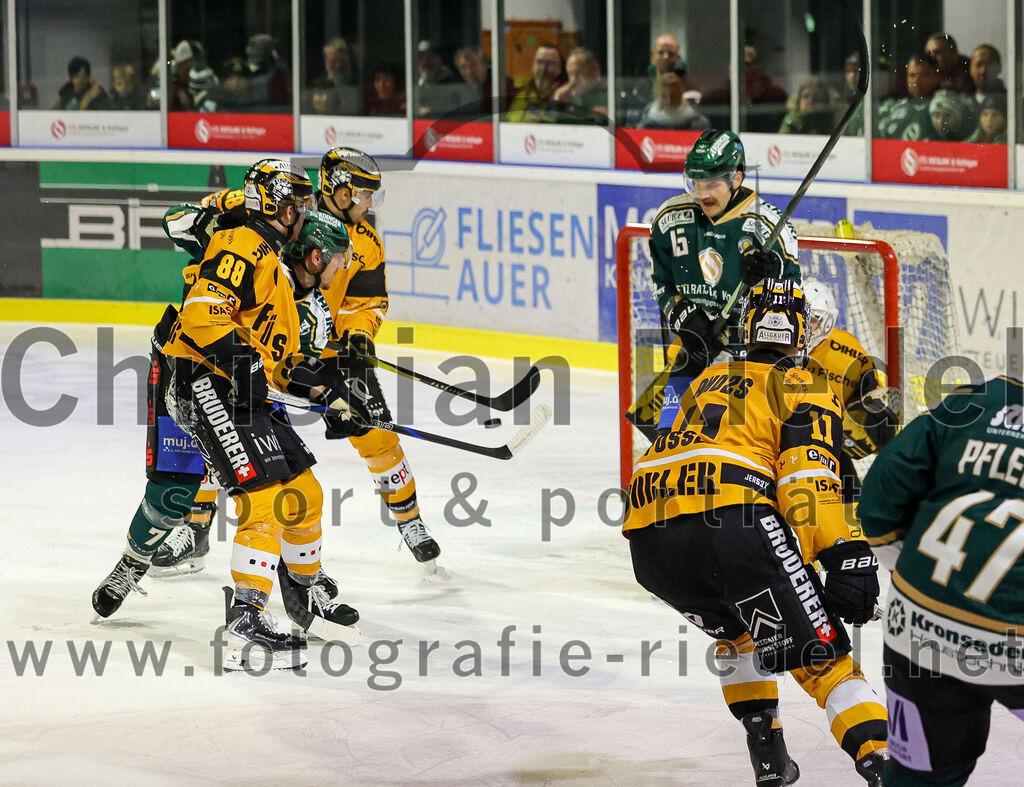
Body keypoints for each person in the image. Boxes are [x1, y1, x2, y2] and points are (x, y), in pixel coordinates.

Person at [626, 279, 889, 787]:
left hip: (649, 539)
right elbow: (805, 482)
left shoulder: (706, 377)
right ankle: (885, 769)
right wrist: (843, 552)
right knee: (824, 660)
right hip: (733, 522)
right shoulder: (807, 384)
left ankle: (768, 757)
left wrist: (688, 356)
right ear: (803, 333)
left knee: (742, 636)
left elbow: (654, 423)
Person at [159, 160, 364, 669]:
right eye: (302, 204)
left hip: (240, 391)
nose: (306, 212)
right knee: (266, 499)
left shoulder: (273, 265)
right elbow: (205, 315)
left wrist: (331, 401)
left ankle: (305, 591)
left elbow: (279, 366)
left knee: (306, 494)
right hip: (203, 384)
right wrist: (242, 360)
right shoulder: (240, 245)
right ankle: (245, 615)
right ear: (284, 206)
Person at [859, 374, 1024, 785]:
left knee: (918, 779)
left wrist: (914, 581)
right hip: (1014, 639)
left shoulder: (972, 401)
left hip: (917, 628)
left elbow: (879, 500)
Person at [315, 147, 442, 564]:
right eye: (366, 195)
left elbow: (366, 303)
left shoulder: (366, 242)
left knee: (379, 436)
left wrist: (358, 339)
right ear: (340, 191)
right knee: (232, 432)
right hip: (271, 354)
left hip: (332, 357)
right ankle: (197, 524)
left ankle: (409, 520)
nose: (371, 204)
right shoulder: (290, 224)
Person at [645, 129, 800, 433]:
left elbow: (794, 299)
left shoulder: (768, 227)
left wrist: (772, 275)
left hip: (751, 368)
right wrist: (685, 317)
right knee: (665, 442)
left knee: (733, 450)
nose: (702, 193)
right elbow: (661, 282)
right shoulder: (670, 218)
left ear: (736, 178)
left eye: (712, 183)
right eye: (696, 182)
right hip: (693, 356)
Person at [801, 277, 901, 532]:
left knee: (852, 511)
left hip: (828, 445)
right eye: (799, 318)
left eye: (811, 319)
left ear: (826, 322)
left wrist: (875, 422)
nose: (805, 327)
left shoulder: (847, 351)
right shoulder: (772, 347)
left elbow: (871, 400)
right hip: (777, 442)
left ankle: (852, 546)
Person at [877, 54, 942, 140]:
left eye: (924, 75)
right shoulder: (893, 107)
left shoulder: (940, 107)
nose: (917, 80)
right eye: (912, 75)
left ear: (936, 77)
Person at [505, 44, 563, 122]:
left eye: (549, 63)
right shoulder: (520, 86)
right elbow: (510, 118)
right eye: (539, 62)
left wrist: (541, 121)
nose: (543, 68)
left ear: (559, 68)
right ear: (533, 65)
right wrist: (524, 119)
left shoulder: (563, 93)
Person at [552, 47, 608, 122]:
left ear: (595, 69)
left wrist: (610, 114)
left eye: (578, 73)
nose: (573, 80)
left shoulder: (612, 93)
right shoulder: (569, 98)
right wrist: (557, 106)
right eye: (570, 74)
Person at [637, 72, 710, 130]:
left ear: (680, 94)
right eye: (664, 96)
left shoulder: (696, 122)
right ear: (658, 97)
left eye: (673, 95)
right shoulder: (647, 121)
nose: (669, 100)